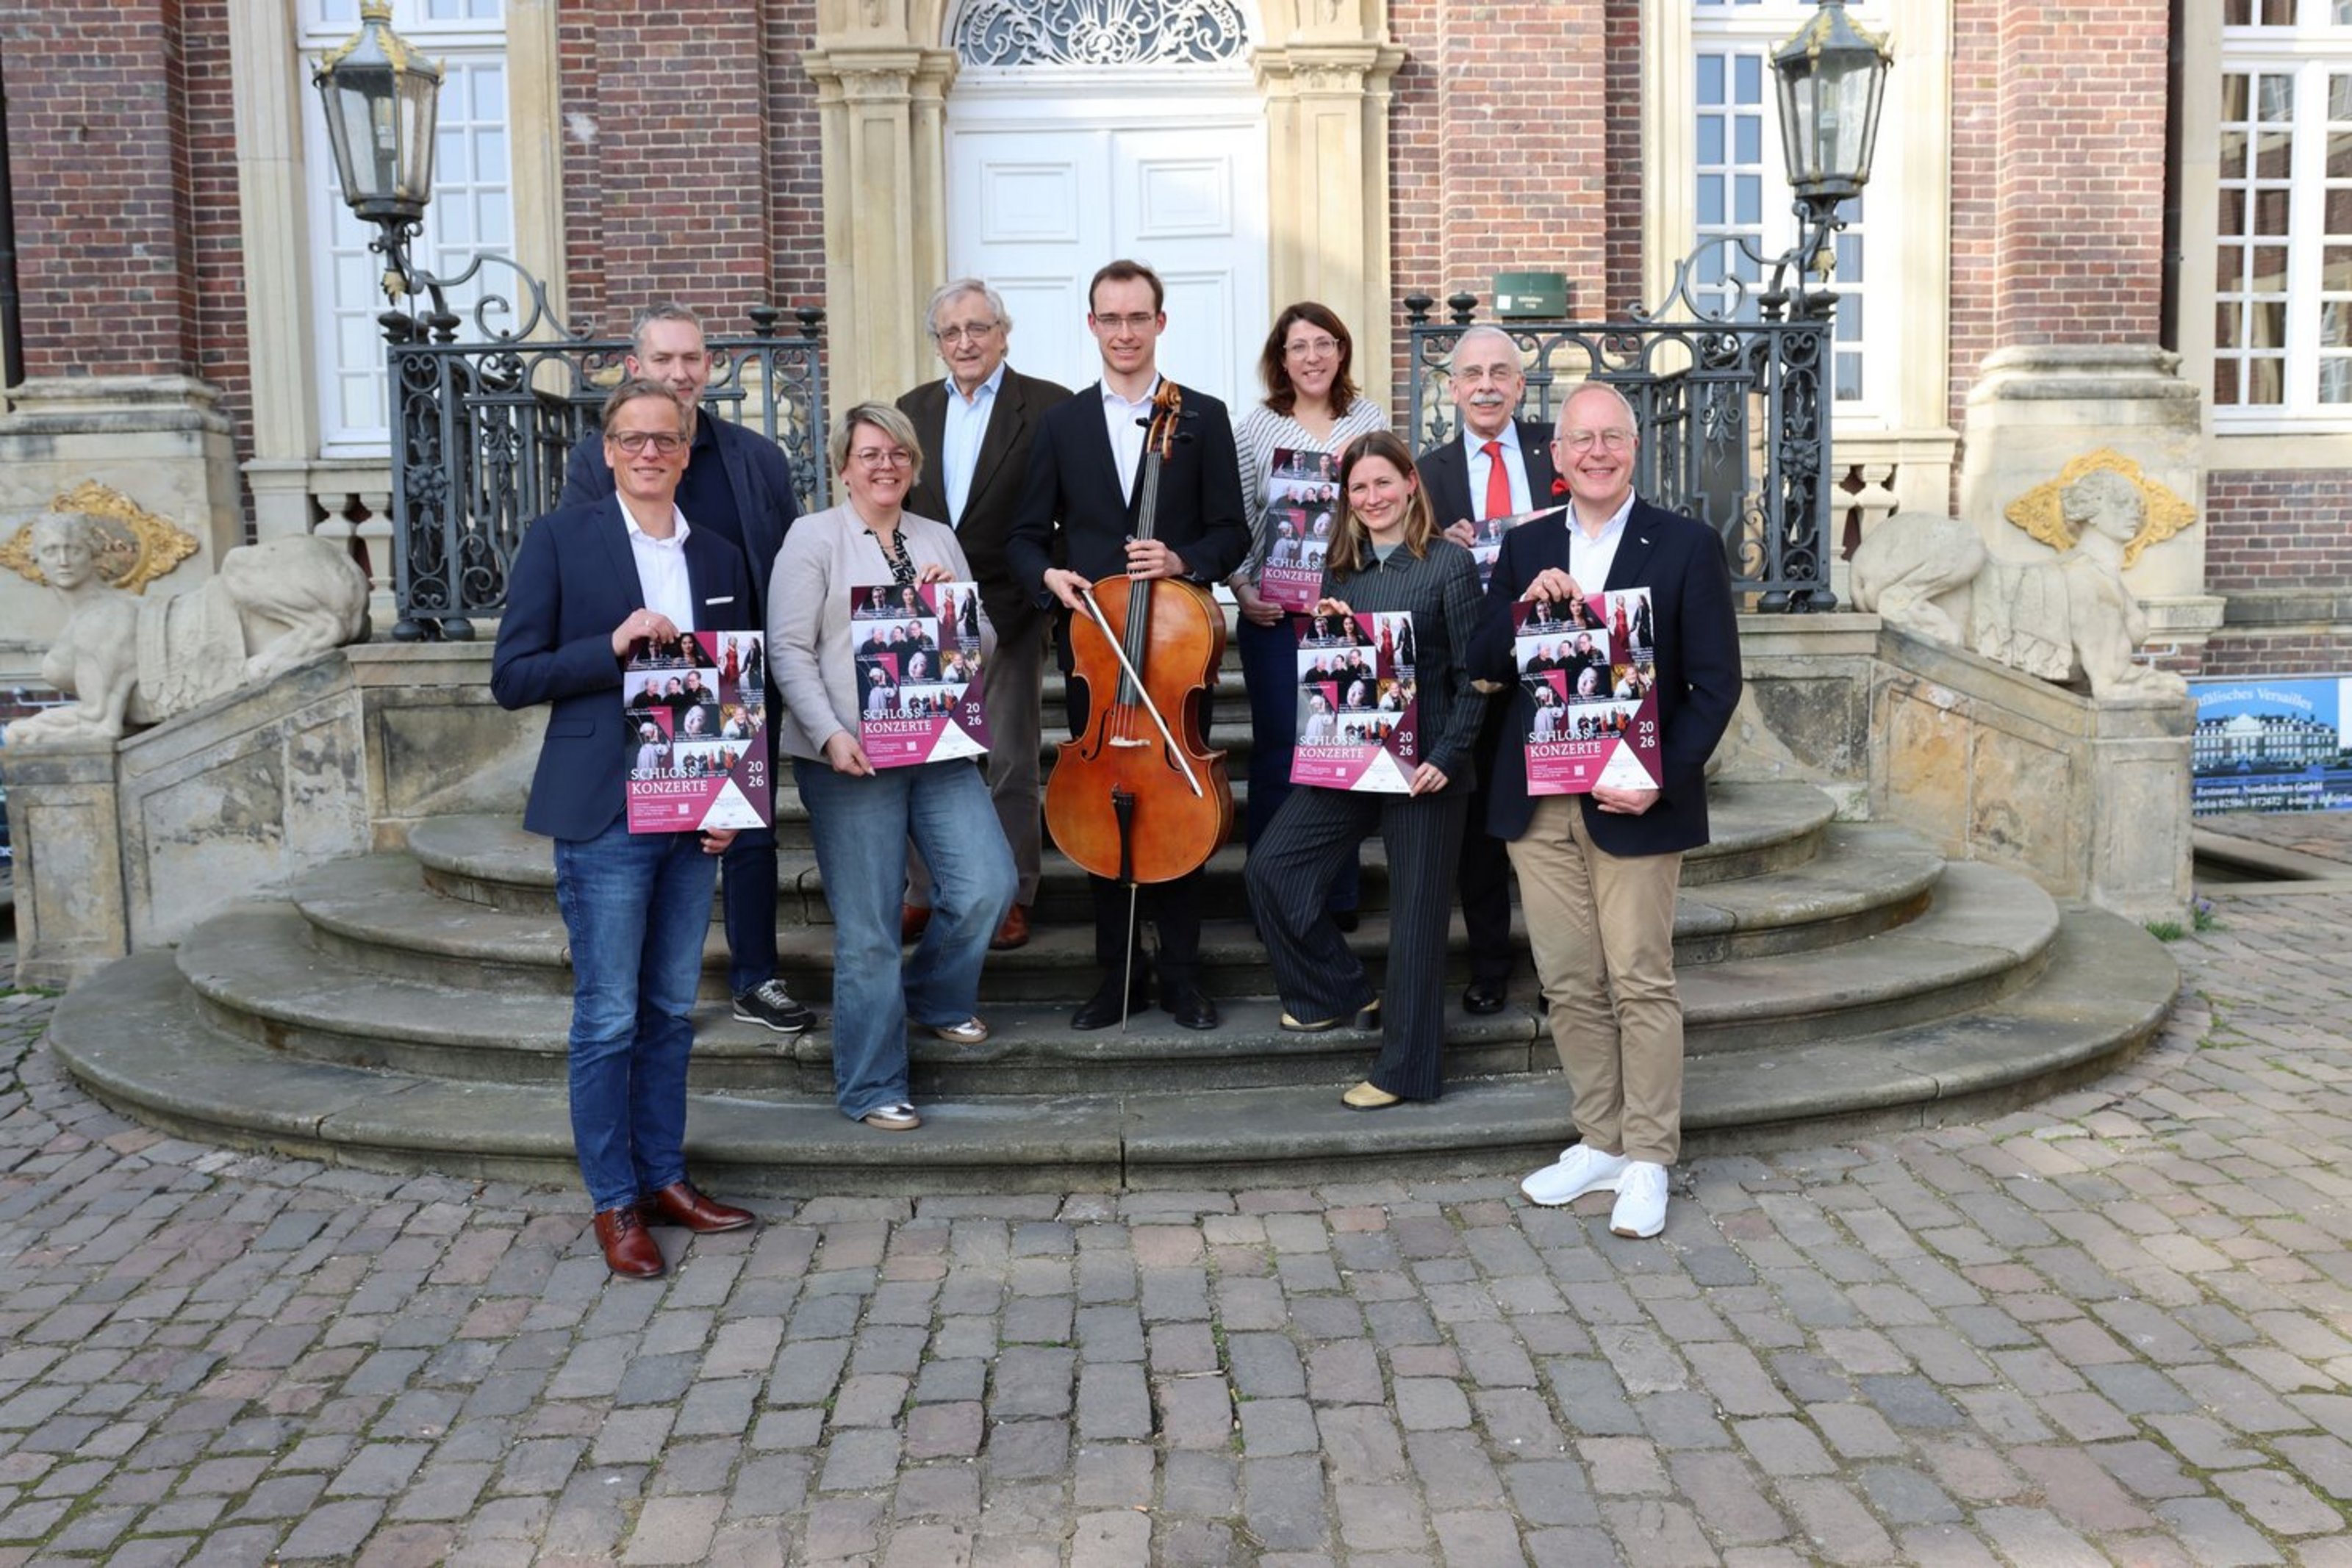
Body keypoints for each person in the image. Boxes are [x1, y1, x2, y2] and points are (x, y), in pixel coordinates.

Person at [492, 377, 761, 1280]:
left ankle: (664, 1178)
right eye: (632, 438)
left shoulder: (719, 555)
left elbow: (735, 686)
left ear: (687, 451)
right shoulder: (560, 540)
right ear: (606, 451)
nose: (650, 452)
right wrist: (608, 648)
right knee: (607, 1017)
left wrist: (729, 800)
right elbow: (513, 674)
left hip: (692, 813)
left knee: (669, 1014)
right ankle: (613, 1201)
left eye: (666, 439)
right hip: (604, 809)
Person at [1471, 383, 1742, 1239]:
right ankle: (1600, 1139)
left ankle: (1650, 1157)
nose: (1595, 451)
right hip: (1539, 800)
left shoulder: (1687, 546)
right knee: (1568, 979)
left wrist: (1661, 776)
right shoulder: (1524, 546)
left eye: (1611, 438)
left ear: (1633, 448)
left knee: (1637, 976)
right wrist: (1526, 613)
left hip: (1632, 794)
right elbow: (1483, 665)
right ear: (1554, 455)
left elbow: (1715, 684)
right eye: (1579, 438)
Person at [1005, 259, 1251, 1032]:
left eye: (1136, 317)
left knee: (1176, 806)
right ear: (1091, 326)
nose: (1122, 332)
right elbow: (1021, 537)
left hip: (1175, 652)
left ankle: (1181, 975)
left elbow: (1232, 532)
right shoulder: (1061, 424)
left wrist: (1184, 562)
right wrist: (1049, 576)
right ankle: (1112, 978)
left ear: (1159, 324)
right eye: (1108, 319)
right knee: (1099, 804)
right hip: (1095, 648)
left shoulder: (1203, 417)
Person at [562, 301, 813, 1039]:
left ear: (710, 367)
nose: (679, 372)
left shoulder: (754, 458)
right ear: (634, 367)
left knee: (750, 832)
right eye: (662, 359)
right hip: (644, 675)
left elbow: (788, 566)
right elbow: (583, 556)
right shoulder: (599, 457)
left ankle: (755, 976)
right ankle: (637, 984)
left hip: (736, 674)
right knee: (641, 840)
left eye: (691, 359)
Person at [767, 403, 1017, 1132]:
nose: (884, 465)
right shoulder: (812, 538)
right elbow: (788, 650)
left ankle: (936, 996)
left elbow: (988, 648)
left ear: (912, 465)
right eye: (869, 454)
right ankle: (871, 1083)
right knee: (870, 926)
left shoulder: (934, 536)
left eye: (897, 454)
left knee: (987, 884)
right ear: (844, 466)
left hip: (935, 746)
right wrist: (827, 733)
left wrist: (953, 610)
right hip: (850, 759)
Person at [1244, 431, 1487, 1110]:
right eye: (1359, 489)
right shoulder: (1338, 570)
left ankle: (1406, 1072)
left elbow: (1476, 678)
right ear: (1344, 500)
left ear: (1411, 483)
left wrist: (1447, 759)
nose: (1373, 498)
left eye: (1384, 483)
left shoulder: (1448, 565)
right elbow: (1335, 669)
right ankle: (1333, 990)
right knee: (1273, 867)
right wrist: (1330, 630)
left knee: (1415, 921)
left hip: (1426, 768)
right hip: (1354, 756)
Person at [895, 280, 1073, 954]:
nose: (965, 343)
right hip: (925, 613)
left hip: (1010, 606)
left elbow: (1073, 513)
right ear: (937, 343)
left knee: (1009, 761)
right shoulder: (910, 410)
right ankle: (923, 893)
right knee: (924, 756)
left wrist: (1042, 590)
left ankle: (1009, 895)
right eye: (951, 333)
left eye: (978, 328)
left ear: (1004, 332)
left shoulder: (1051, 407)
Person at [1227, 303, 1391, 931]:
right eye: (1299, 347)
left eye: (1325, 343)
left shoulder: (1368, 418)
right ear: (1282, 358)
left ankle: (1336, 894)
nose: (1313, 357)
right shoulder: (1256, 427)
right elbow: (1240, 517)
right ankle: (1271, 892)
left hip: (1349, 611)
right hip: (1275, 614)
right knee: (1277, 755)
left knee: (1341, 753)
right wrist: (1241, 587)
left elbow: (1391, 511)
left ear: (1342, 351)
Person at [1416, 325, 1562, 1018]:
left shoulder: (1556, 454)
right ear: (1451, 388)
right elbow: (1405, 561)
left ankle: (1562, 972)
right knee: (1479, 833)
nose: (1486, 385)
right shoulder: (1428, 472)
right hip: (1469, 667)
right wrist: (1433, 544)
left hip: (1555, 663)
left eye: (1500, 372)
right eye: (1472, 374)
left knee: (1554, 824)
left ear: (1520, 385)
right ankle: (1490, 965)